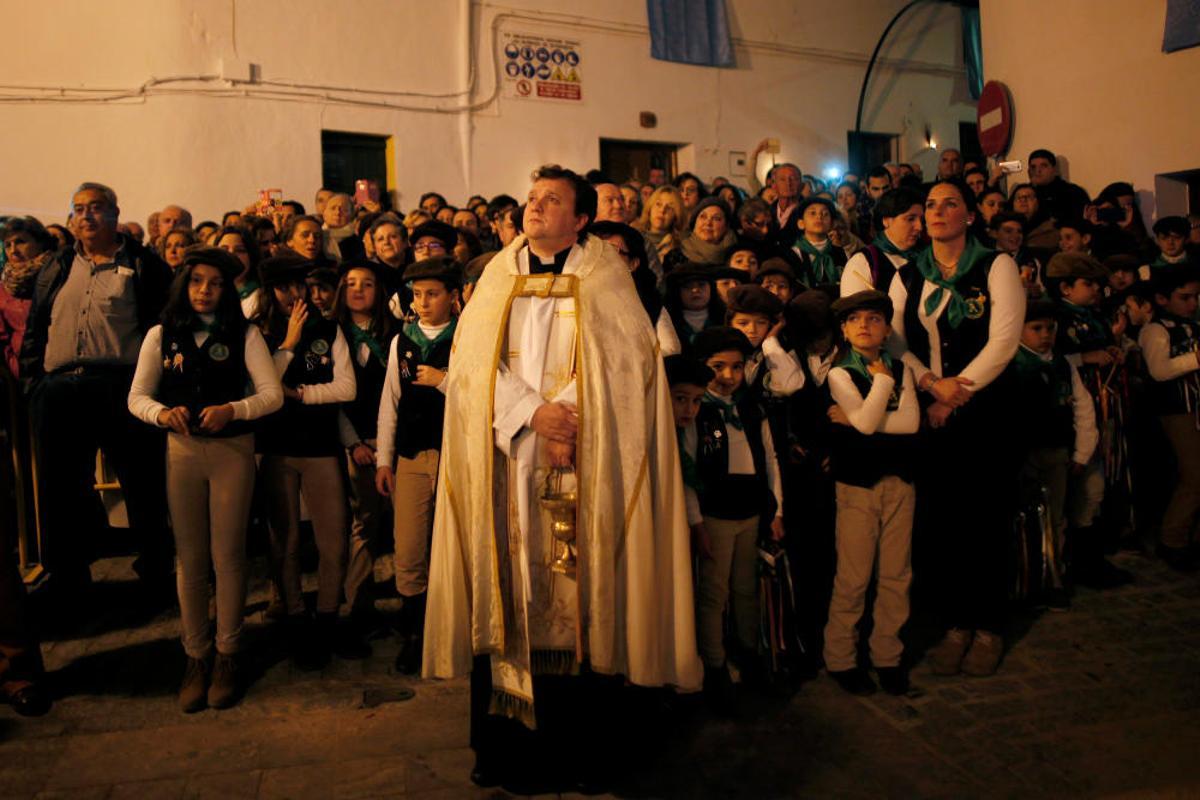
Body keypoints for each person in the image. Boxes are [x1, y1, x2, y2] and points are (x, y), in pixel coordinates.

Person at [423, 165, 701, 791]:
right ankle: (507, 752)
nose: (535, 207)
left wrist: (567, 423)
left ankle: (585, 754)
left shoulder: (607, 278)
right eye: (531, 198)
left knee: (585, 599)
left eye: (551, 200)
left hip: (587, 461)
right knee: (511, 592)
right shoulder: (497, 275)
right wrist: (533, 414)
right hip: (508, 459)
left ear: (579, 219)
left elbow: (625, 367)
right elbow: (471, 365)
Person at [127, 247, 282, 711]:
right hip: (183, 452)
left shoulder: (244, 332)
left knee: (228, 555)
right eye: (196, 281)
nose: (205, 290)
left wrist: (234, 409)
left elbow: (271, 394)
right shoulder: (161, 334)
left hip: (232, 450)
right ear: (184, 284)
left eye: (215, 283)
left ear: (226, 289)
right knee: (190, 558)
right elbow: (137, 396)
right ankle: (195, 655)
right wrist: (161, 414)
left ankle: (228, 652)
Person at [894, 178, 1024, 677]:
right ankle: (954, 623)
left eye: (950, 204)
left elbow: (1004, 341)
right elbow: (896, 342)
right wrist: (931, 384)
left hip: (986, 413)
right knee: (944, 523)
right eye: (930, 205)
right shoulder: (910, 273)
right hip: (931, 411)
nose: (937, 211)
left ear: (969, 215)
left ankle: (988, 626)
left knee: (986, 520)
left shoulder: (995, 266)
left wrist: (954, 394)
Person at [21, 182, 174, 597]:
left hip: (120, 387)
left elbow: (163, 329)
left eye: (95, 207)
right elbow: (37, 326)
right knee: (60, 489)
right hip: (58, 390)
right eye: (79, 208)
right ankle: (68, 576)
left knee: (142, 484)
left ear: (115, 214)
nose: (86, 215)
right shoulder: (57, 265)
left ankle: (155, 572)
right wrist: (34, 384)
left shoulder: (143, 264)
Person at [252, 252, 357, 670]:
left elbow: (346, 388)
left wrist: (300, 395)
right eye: (284, 287)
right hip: (276, 447)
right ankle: (295, 617)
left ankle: (327, 616)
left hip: (321, 445)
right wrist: (289, 344)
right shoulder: (256, 332)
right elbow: (262, 389)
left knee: (334, 538)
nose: (294, 295)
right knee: (286, 540)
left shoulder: (329, 328)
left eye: (300, 286)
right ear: (270, 291)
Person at [823, 290, 919, 696]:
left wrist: (858, 418)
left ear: (886, 330)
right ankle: (841, 658)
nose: (864, 325)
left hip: (900, 482)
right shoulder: (840, 373)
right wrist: (880, 383)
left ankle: (887, 656)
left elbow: (910, 423)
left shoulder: (903, 368)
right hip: (857, 486)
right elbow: (865, 425)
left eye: (874, 319)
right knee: (854, 577)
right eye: (855, 319)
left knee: (896, 574)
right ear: (844, 330)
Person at [687, 326, 785, 710]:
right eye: (718, 367)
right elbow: (689, 469)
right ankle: (714, 665)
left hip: (751, 512)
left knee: (746, 588)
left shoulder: (752, 408)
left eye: (737, 367)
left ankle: (750, 653)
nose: (728, 376)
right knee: (715, 593)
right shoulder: (697, 411)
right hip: (716, 515)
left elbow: (770, 459)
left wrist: (777, 510)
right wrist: (696, 521)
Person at [374, 257, 459, 675]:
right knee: (408, 545)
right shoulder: (400, 341)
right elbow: (390, 403)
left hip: (452, 455)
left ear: (453, 297)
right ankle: (414, 631)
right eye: (417, 294)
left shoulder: (465, 338)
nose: (423, 302)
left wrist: (443, 380)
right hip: (410, 455)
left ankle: (452, 628)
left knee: (450, 543)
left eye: (433, 294)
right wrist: (383, 459)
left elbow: (483, 391)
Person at [1046, 252, 1132, 587]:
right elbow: (1049, 356)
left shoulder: (1092, 315)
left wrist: (1111, 350)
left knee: (1096, 485)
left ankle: (1090, 556)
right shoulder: (1056, 319)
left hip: (1103, 404)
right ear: (1065, 287)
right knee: (1081, 487)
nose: (1096, 289)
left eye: (1097, 284)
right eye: (1088, 283)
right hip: (1074, 409)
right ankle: (1076, 562)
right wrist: (1085, 357)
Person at [1013, 298, 1099, 608]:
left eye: (1050, 328)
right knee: (1021, 516)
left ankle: (1053, 578)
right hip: (1021, 455)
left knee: (1055, 516)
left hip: (1056, 452)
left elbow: (1083, 407)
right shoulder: (1011, 364)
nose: (1045, 335)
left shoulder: (1062, 365)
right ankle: (1022, 580)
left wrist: (1082, 453)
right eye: (1036, 328)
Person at [334, 259, 395, 649]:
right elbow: (333, 399)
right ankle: (358, 606)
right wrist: (353, 443)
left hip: (393, 443)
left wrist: (388, 445)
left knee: (406, 527)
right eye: (352, 283)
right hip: (354, 443)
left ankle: (414, 604)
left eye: (368, 283)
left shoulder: (395, 334)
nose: (358, 289)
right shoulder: (332, 333)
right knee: (363, 524)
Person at [1137, 266, 1200, 572]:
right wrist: (1195, 359)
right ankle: (1172, 540)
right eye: (1184, 297)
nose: (1192, 303)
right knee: (1194, 476)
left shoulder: (1192, 325)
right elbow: (1159, 371)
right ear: (1162, 298)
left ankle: (1189, 536)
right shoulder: (1156, 330)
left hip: (1195, 408)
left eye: (1195, 297)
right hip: (1176, 410)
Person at [589, 220, 681, 355]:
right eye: (597, 249)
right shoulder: (575, 295)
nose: (602, 257)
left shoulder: (648, 302)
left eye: (612, 250)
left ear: (633, 263)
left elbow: (671, 349)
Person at [0, 217, 57, 377]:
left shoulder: (58, 275)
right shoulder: (4, 287)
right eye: (8, 245)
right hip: (20, 372)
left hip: (58, 368)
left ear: (40, 243)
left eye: (20, 242)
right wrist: (16, 367)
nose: (13, 250)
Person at [665, 263, 725, 351]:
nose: (695, 290)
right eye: (687, 286)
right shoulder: (667, 320)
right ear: (677, 292)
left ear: (711, 288)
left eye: (701, 285)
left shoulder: (725, 317)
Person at [791, 197, 848, 288]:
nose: (819, 217)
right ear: (801, 223)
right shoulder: (792, 254)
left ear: (832, 224)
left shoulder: (838, 252)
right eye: (813, 213)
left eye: (825, 214)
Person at [1028, 149, 1090, 225]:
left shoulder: (1073, 193)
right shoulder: (1023, 194)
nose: (1037, 170)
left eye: (1043, 166)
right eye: (1033, 167)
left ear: (1054, 169)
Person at [637, 185, 687, 265]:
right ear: (650, 208)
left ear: (676, 216)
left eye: (669, 207)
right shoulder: (634, 238)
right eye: (658, 204)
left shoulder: (681, 248)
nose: (662, 210)